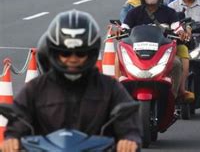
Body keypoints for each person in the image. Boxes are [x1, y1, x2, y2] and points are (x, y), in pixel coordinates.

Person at [3, 10, 141, 152]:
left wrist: (129, 139)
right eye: (65, 53)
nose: (73, 58)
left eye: (80, 53)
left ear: (91, 53)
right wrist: (12, 139)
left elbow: (128, 123)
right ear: (55, 53)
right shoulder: (35, 88)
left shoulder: (110, 87)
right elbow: (18, 119)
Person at [122, 0, 194, 103]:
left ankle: (174, 95)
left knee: (177, 64)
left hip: (163, 51)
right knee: (121, 58)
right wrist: (117, 30)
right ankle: (119, 92)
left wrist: (181, 32)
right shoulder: (133, 13)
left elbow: (177, 28)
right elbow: (124, 28)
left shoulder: (169, 12)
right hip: (138, 52)